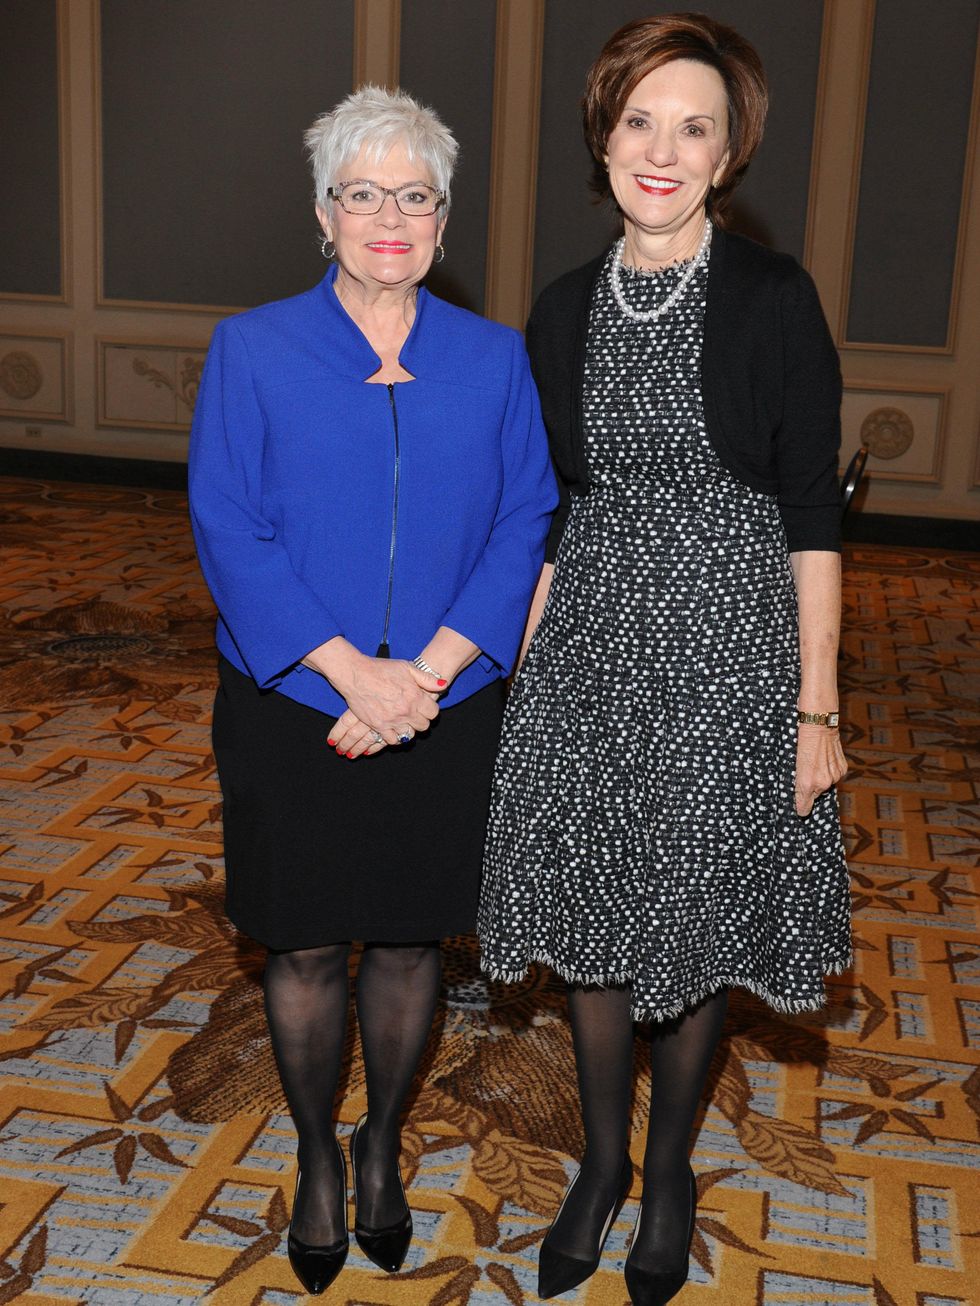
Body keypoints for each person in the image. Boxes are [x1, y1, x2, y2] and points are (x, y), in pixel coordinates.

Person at [478, 14, 851, 1305]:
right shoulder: (565, 304)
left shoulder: (773, 295)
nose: (664, 147)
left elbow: (814, 517)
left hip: (729, 650)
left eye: (696, 125)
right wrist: (514, 686)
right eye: (642, 118)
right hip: (591, 645)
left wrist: (817, 708)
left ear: (731, 147)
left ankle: (675, 1165)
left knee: (689, 918)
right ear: (604, 130)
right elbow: (544, 508)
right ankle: (601, 1158)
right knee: (590, 918)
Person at [188, 85, 555, 1296]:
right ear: (321, 211)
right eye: (361, 192)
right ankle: (314, 1156)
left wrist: (431, 675)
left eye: (413, 195)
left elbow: (522, 522)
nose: (386, 216)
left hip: (444, 709)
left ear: (443, 218)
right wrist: (350, 672)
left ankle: (382, 1144)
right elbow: (229, 527)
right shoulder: (253, 347)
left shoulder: (493, 358)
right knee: (298, 951)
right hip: (299, 703)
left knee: (406, 946)